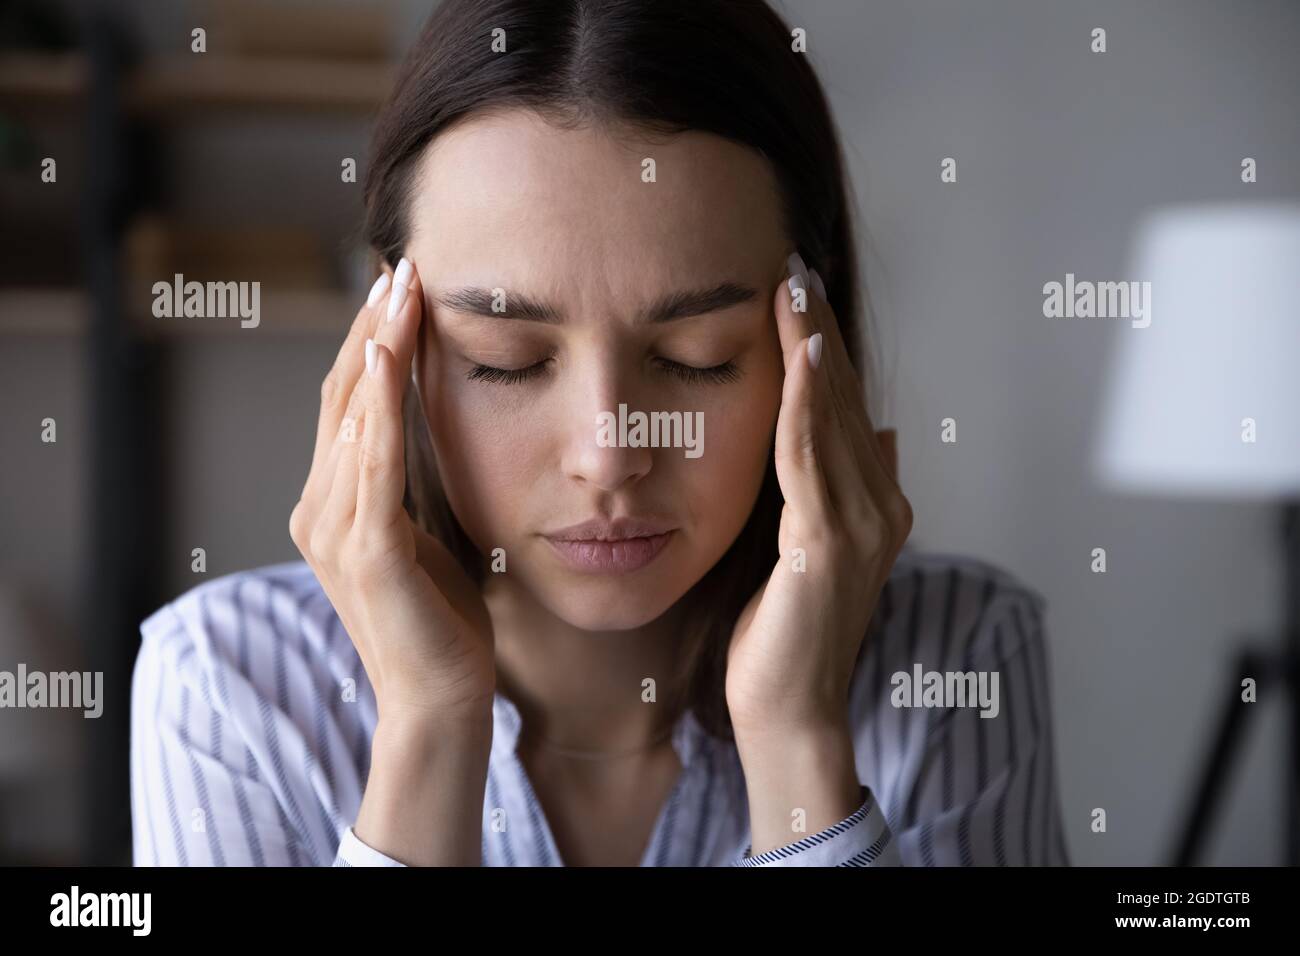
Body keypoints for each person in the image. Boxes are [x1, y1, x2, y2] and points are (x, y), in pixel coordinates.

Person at [129, 0, 1069, 867]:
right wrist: (427, 727)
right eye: (505, 359)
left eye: (698, 356)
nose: (610, 451)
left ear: (809, 339)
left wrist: (796, 740)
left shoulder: (957, 656)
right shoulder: (228, 688)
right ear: (394, 343)